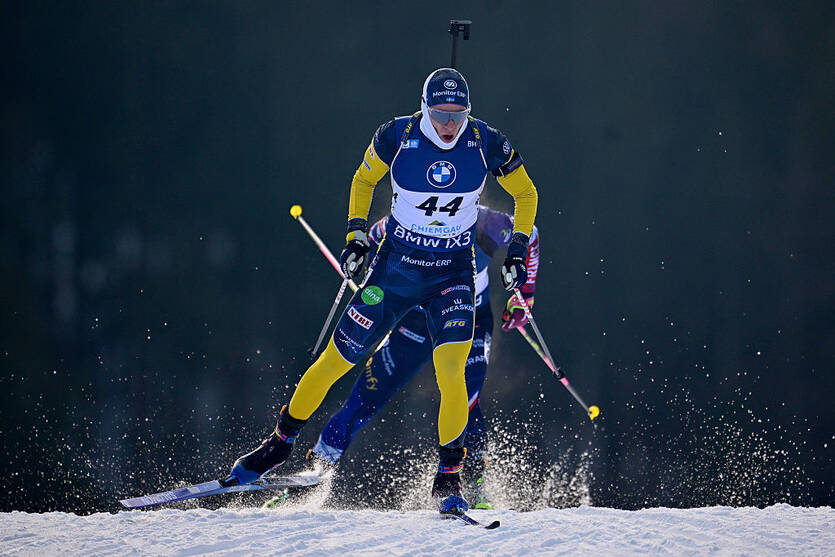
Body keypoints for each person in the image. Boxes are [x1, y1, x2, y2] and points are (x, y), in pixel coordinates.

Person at [224, 67, 539, 514]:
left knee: (451, 372)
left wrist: (517, 249)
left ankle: (449, 480)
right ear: (424, 108)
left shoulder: (487, 141)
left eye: (458, 115)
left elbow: (526, 195)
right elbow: (362, 179)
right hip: (394, 272)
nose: (450, 124)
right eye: (440, 114)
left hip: (452, 276)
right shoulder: (396, 135)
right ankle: (277, 446)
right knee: (336, 360)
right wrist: (355, 234)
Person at [303, 208, 540, 509]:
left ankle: (472, 486)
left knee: (466, 397)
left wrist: (524, 294)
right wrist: (361, 262)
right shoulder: (401, 219)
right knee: (365, 397)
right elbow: (370, 241)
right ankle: (317, 472)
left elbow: (529, 234)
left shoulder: (490, 225)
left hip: (467, 321)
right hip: (414, 324)